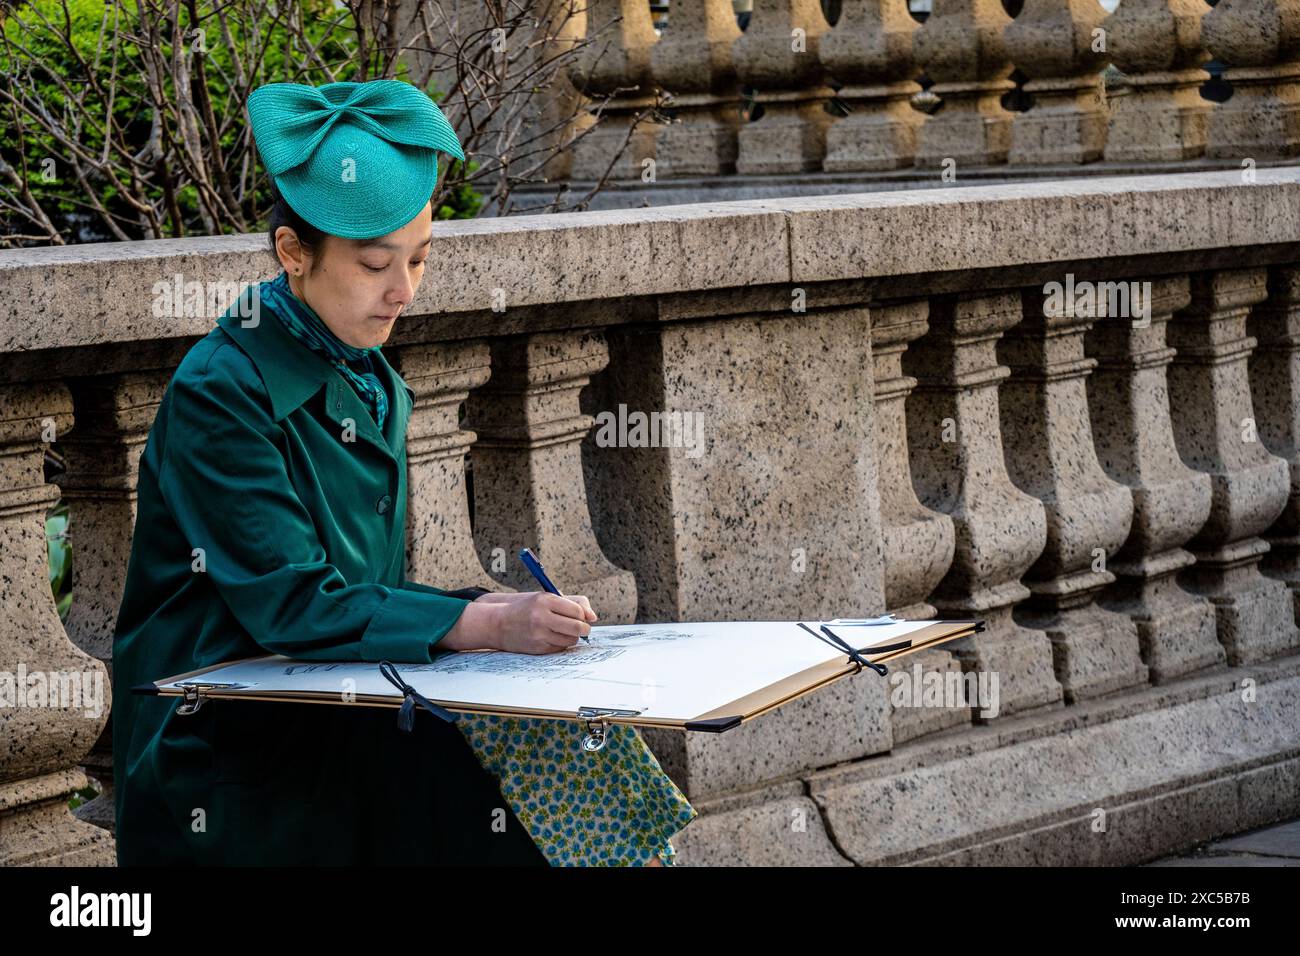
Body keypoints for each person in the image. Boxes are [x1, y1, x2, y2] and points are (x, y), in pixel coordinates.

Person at [111, 78, 695, 866]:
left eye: (419, 258)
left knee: (571, 793)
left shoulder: (368, 374)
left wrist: (493, 616)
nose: (403, 290)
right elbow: (293, 601)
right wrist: (483, 620)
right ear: (294, 253)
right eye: (375, 264)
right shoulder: (224, 389)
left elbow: (351, 593)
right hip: (223, 757)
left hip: (343, 719)